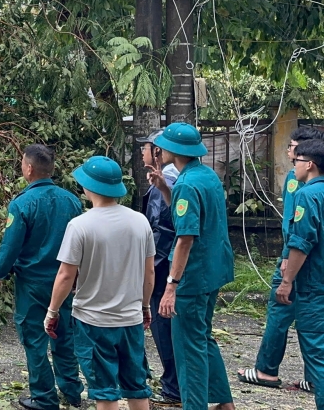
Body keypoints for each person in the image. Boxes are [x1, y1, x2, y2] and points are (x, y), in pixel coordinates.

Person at [48, 156, 155, 410]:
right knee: (137, 386)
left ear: (89, 187)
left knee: (105, 392)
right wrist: (145, 306)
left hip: (93, 321)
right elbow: (149, 272)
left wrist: (52, 311)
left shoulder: (80, 225)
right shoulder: (140, 222)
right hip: (131, 319)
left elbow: (65, 275)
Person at [0, 144, 84, 410]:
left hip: (32, 284)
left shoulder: (22, 204)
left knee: (35, 338)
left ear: (29, 168)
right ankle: (72, 391)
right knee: (64, 335)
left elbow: (10, 245)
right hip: (65, 281)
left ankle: (44, 397)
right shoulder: (72, 201)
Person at [152, 122, 235, 410]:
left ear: (174, 150)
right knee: (202, 337)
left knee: (188, 348)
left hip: (193, 276)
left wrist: (171, 286)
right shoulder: (205, 175)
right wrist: (164, 188)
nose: (157, 150)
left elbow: (185, 238)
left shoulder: (187, 184)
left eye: (161, 146)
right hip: (213, 270)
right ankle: (224, 403)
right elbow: (187, 216)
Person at [238, 126, 324, 391]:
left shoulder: (303, 190)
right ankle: (311, 378)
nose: (290, 154)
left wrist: (287, 268)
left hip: (306, 273)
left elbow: (297, 232)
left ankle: (267, 369)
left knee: (284, 312)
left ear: (308, 161)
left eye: (294, 150)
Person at [276, 138, 324, 410]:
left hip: (314, 286)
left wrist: (286, 281)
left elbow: (302, 242)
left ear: (310, 164)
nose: (293, 166)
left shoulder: (308, 195)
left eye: (296, 161)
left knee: (317, 356)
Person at [137, 130, 181, 405]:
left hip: (163, 263)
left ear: (158, 151)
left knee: (162, 323)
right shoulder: (166, 180)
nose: (141, 153)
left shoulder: (166, 181)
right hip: (168, 260)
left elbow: (162, 229)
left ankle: (173, 386)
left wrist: (148, 268)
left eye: (145, 148)